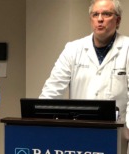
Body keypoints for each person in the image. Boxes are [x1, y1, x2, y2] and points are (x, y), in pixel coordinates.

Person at [40, 0, 129, 128]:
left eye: (106, 14)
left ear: (118, 20)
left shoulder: (127, 48)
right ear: (90, 19)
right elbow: (52, 90)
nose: (100, 19)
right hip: (80, 131)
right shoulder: (73, 49)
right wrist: (39, 121)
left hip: (117, 132)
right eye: (95, 14)